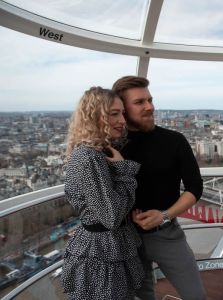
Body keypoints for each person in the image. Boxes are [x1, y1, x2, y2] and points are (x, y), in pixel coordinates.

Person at [112, 76, 207, 300]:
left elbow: (195, 187)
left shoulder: (175, 140)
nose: (150, 107)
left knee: (196, 295)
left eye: (150, 100)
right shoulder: (112, 147)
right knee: (143, 297)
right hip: (126, 238)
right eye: (139, 102)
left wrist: (164, 215)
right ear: (122, 109)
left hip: (166, 233)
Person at [61, 87, 144, 300]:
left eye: (122, 113)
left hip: (106, 246)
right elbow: (111, 216)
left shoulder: (95, 152)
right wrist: (124, 170)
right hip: (102, 251)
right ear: (94, 116)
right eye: (114, 113)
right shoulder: (90, 158)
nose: (122, 120)